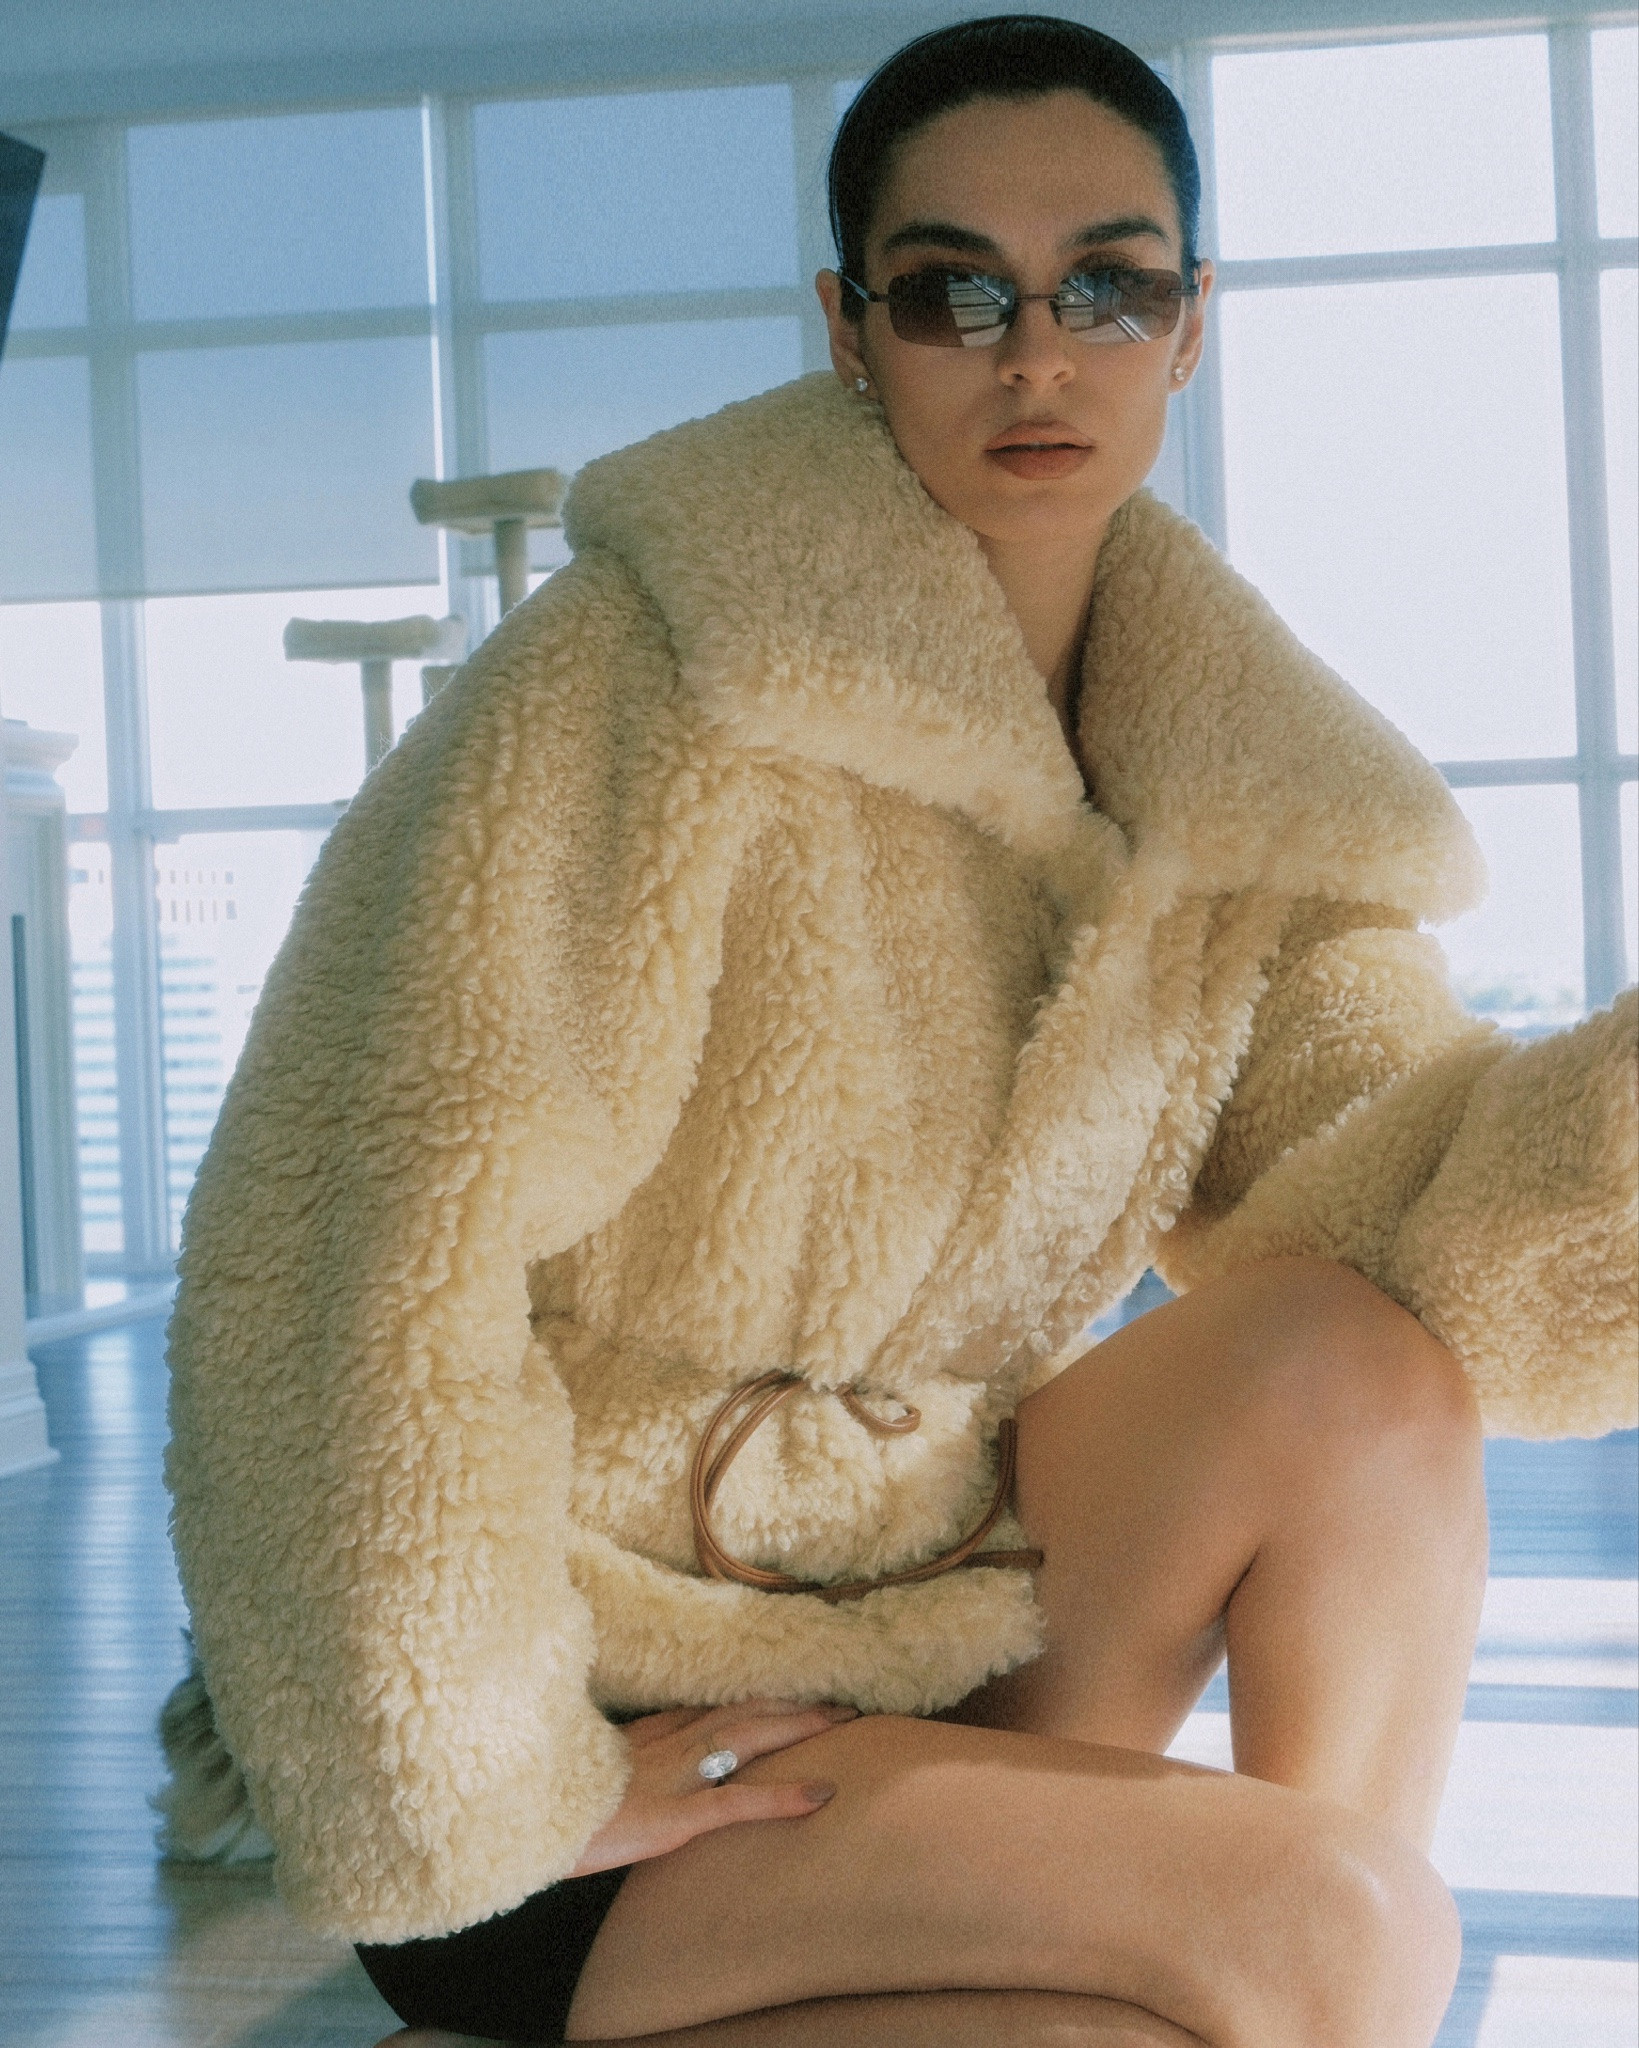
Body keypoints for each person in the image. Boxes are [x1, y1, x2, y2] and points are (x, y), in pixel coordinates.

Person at [160, 17, 1637, 2047]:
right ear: (852, 331)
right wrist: (489, 1787)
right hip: (588, 1727)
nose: (1036, 356)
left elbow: (1440, 1238)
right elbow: (356, 1240)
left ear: (1190, 326)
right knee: (1336, 1931)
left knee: (1354, 1368)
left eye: (1107, 287)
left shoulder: (1230, 785)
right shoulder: (637, 685)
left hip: (923, 1628)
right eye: (954, 293)